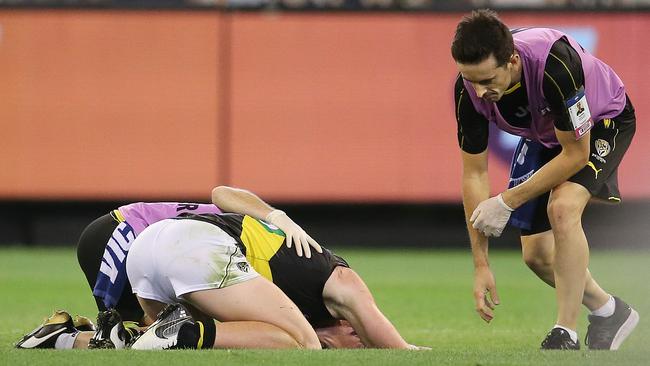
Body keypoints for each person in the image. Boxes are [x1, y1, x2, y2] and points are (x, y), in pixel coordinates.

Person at [16, 186, 421, 350]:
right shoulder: (327, 272)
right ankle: (183, 334)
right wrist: (404, 349)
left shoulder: (282, 283)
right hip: (155, 235)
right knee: (303, 344)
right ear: (350, 324)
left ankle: (63, 338)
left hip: (150, 248)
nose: (358, 345)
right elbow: (221, 193)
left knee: (138, 340)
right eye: (359, 339)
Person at [451, 9, 638, 350]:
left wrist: (507, 200)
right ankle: (609, 310)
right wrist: (481, 265)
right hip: (548, 134)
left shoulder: (555, 66)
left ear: (512, 60)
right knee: (537, 255)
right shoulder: (468, 91)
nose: (479, 91)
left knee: (564, 207)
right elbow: (474, 173)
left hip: (601, 121)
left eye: (488, 80)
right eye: (471, 80)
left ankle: (565, 332)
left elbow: (576, 155)